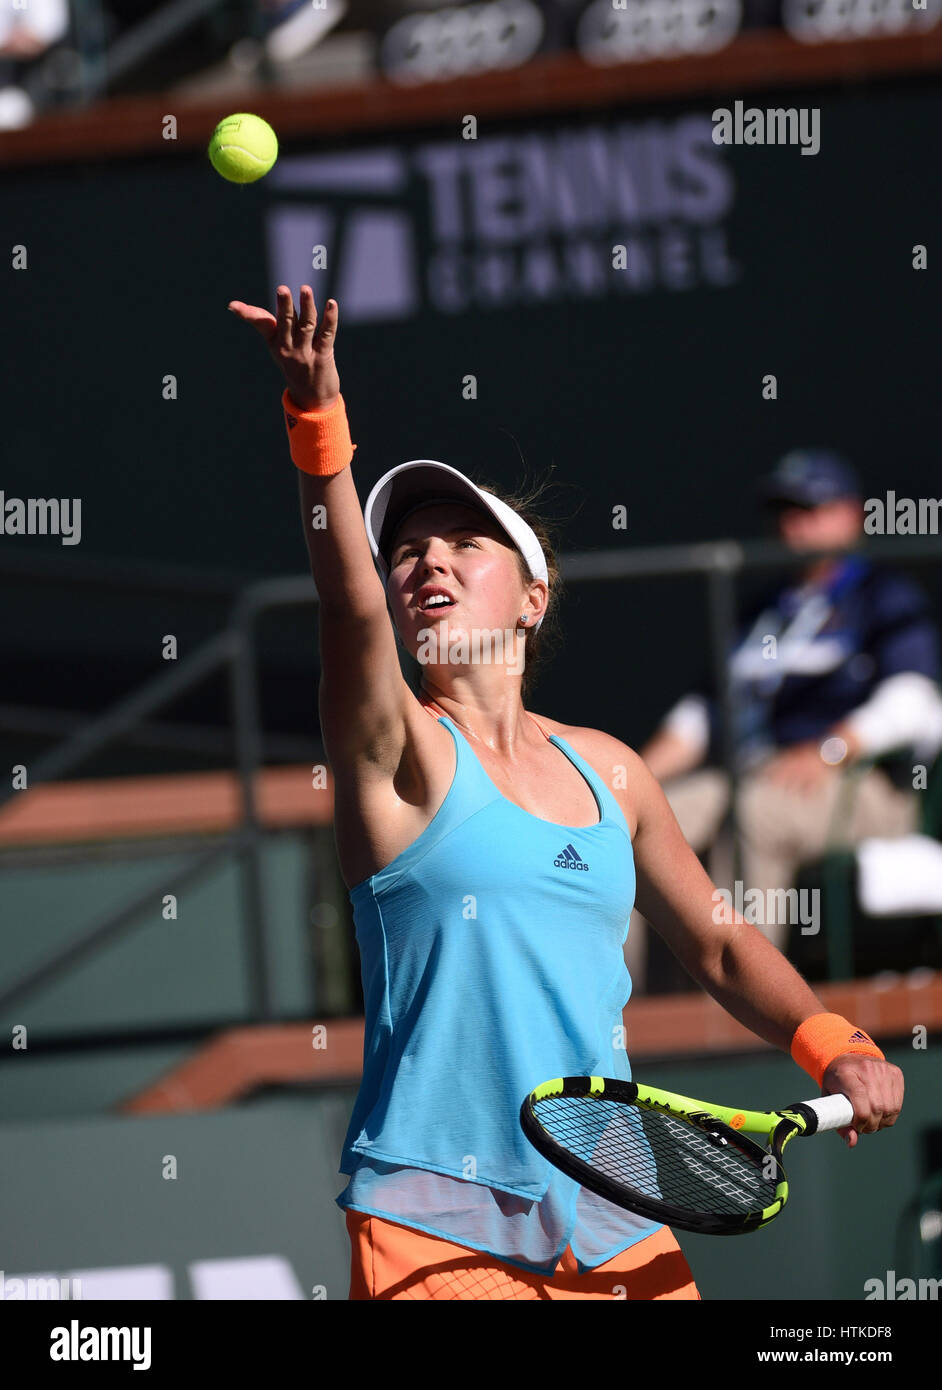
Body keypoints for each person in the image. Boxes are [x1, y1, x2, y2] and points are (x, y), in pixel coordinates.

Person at [228, 286, 904, 1300]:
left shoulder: (614, 769)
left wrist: (835, 1040)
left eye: (465, 543)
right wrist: (320, 426)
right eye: (409, 548)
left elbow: (717, 941)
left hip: (615, 1212)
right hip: (437, 1225)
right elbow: (347, 603)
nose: (428, 561)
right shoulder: (397, 747)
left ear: (532, 598)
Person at [635, 450, 942, 985]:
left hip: (861, 787)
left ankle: (743, 1010)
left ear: (852, 514)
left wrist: (831, 749)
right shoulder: (762, 611)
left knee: (758, 812)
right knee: (642, 822)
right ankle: (624, 1018)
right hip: (758, 774)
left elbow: (914, 703)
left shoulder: (883, 596)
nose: (794, 524)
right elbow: (702, 718)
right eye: (784, 510)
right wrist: (626, 781)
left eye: (811, 508)